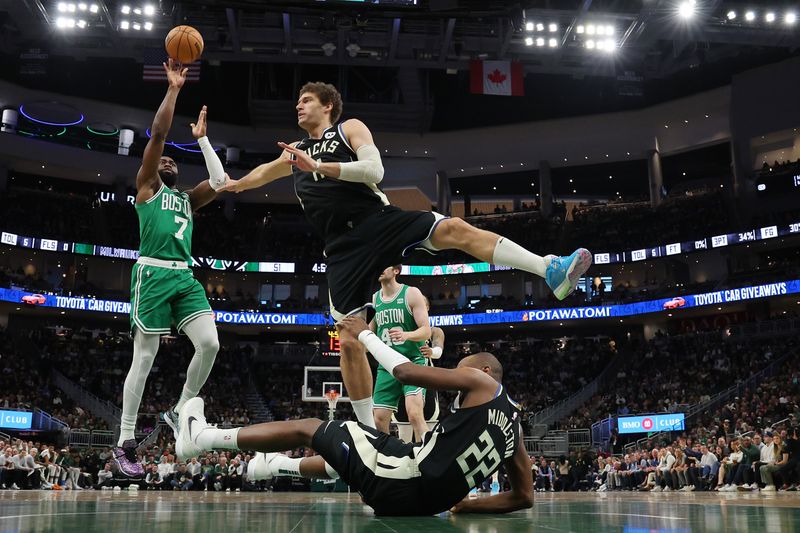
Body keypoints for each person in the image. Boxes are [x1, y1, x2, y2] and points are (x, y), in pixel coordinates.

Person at [220, 81, 591, 428]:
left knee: (455, 229)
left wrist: (318, 166)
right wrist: (234, 184)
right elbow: (260, 175)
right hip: (342, 248)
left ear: (327, 105)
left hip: (378, 220)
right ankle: (367, 433)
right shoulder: (293, 156)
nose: (298, 106)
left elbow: (374, 169)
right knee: (349, 337)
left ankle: (549, 269)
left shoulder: (348, 128)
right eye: (297, 101)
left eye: (306, 100)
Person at [176, 315, 533, 516]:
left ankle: (202, 439)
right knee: (358, 447)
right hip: (416, 502)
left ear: (484, 370)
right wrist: (465, 507)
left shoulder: (480, 381)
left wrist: (363, 333)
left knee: (310, 428)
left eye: (461, 370)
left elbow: (406, 373)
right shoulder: (514, 430)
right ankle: (270, 467)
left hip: (400, 478)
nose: (458, 376)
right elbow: (523, 497)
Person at [114, 59, 229, 477]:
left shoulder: (186, 200)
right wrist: (174, 89)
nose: (166, 164)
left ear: (178, 171)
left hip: (184, 275)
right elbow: (159, 134)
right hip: (152, 274)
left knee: (211, 344)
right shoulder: (147, 187)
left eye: (171, 165)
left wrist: (202, 140)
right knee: (142, 360)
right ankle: (124, 441)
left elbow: (220, 183)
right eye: (162, 163)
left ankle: (181, 408)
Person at [369, 265, 431, 442]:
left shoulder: (411, 293)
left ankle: (425, 458)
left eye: (384, 264)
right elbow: (370, 330)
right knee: (379, 419)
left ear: (396, 270)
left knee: (414, 414)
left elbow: (426, 331)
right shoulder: (374, 299)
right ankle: (387, 460)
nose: (379, 268)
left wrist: (407, 335)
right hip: (387, 364)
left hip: (412, 361)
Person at [395, 295, 443, 442]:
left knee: (426, 432)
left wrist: (432, 352)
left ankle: (424, 463)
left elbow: (438, 350)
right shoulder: (398, 331)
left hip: (425, 380)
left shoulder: (434, 330)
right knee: (403, 436)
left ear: (426, 308)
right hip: (401, 380)